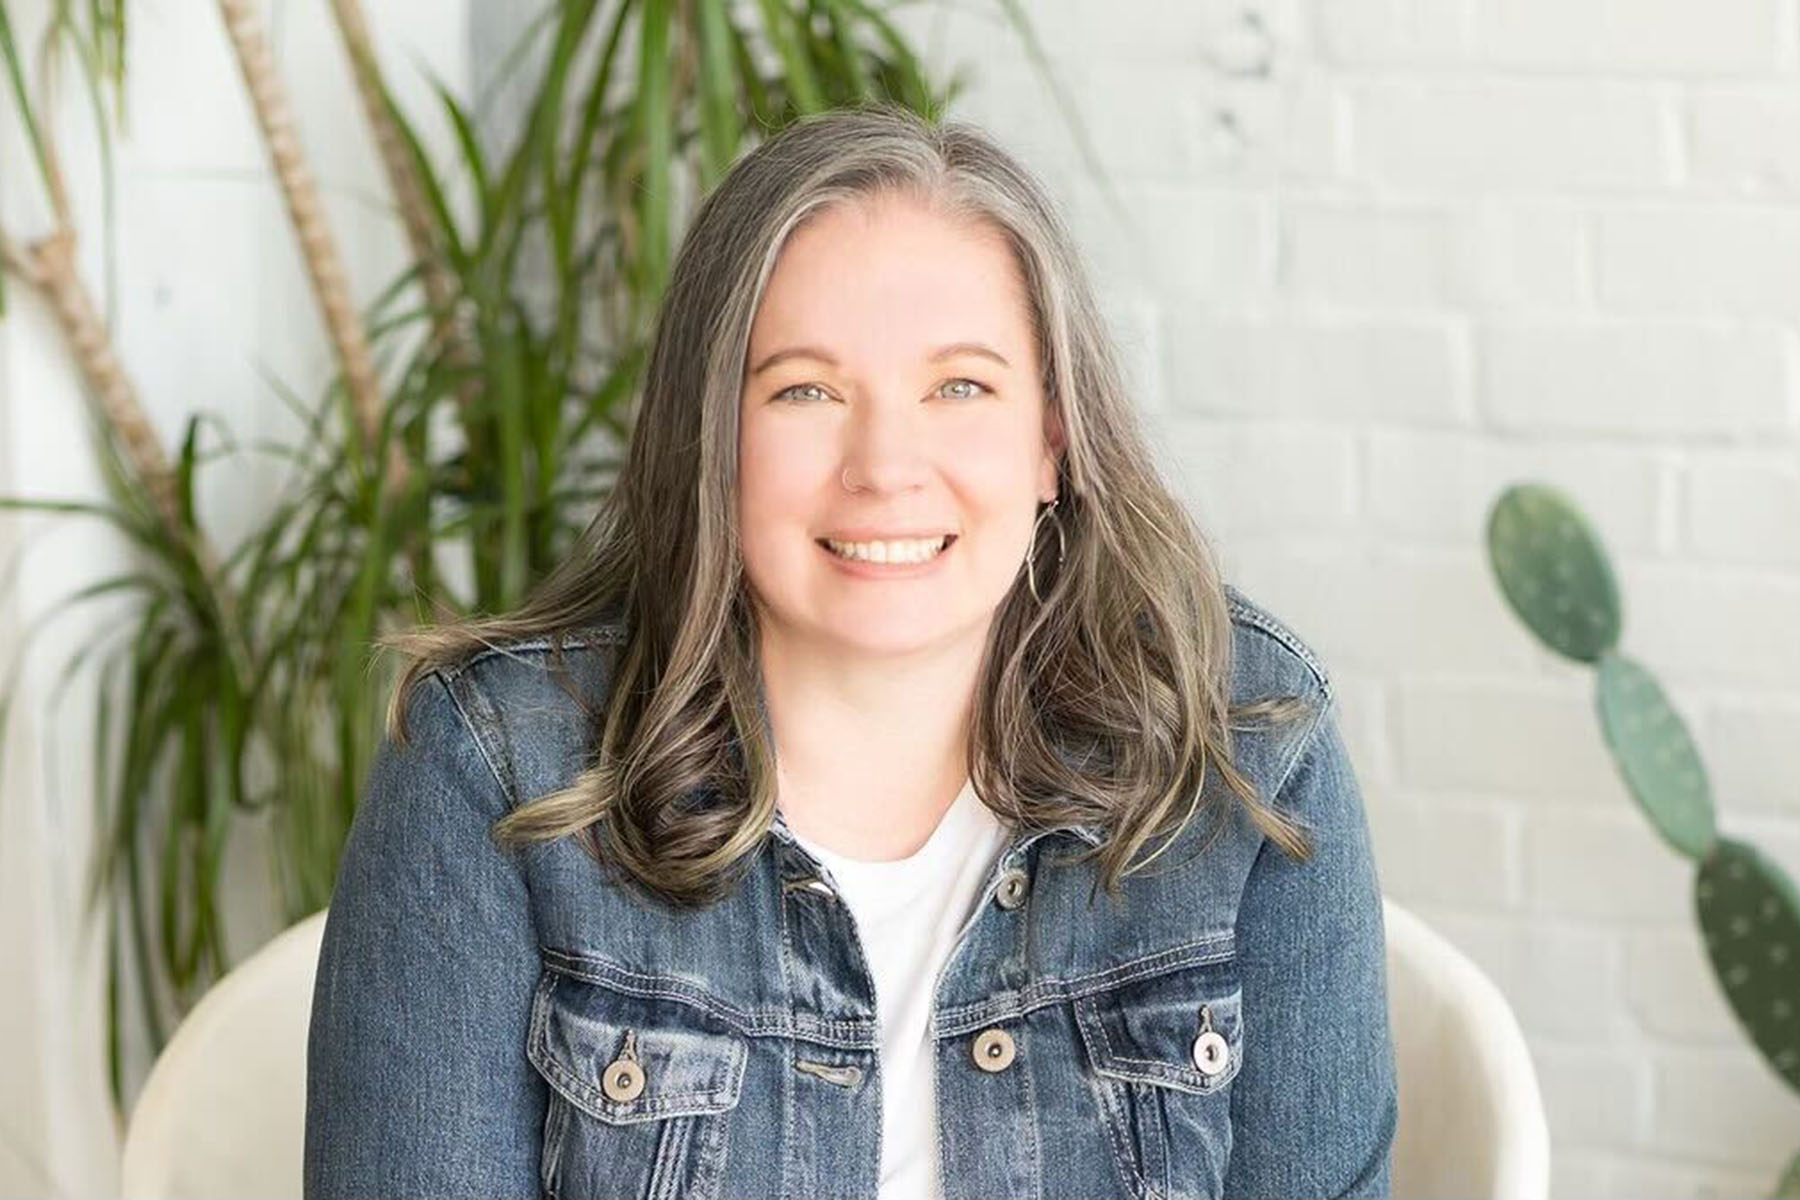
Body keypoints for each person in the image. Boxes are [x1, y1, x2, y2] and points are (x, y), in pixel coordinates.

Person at [302, 101, 1397, 1200]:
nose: (885, 466)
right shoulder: (493, 775)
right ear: (712, 440)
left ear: (1052, 439)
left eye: (959, 386)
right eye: (806, 390)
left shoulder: (1246, 744)